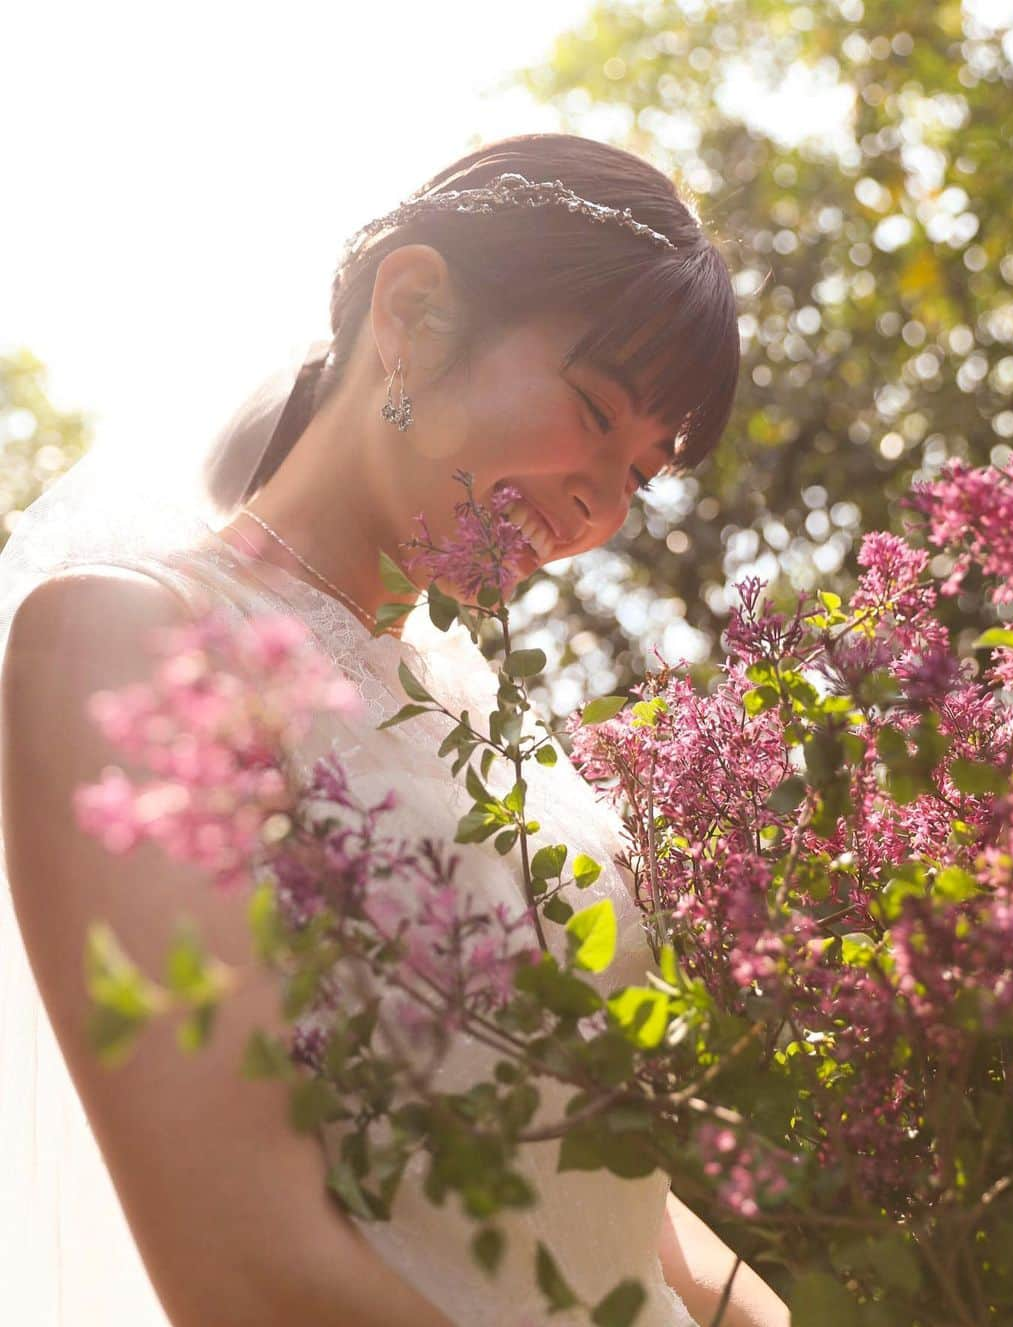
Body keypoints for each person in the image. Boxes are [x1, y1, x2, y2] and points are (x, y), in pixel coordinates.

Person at [0, 133, 789, 1325]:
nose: (601, 507)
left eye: (641, 473)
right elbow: (246, 1267)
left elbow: (587, 1172)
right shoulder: (133, 641)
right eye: (592, 413)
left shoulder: (487, 716)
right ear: (412, 310)